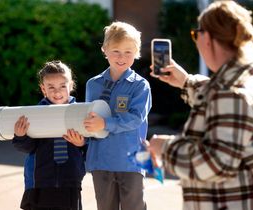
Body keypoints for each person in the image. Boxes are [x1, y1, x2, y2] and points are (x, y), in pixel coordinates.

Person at [148, 1, 253, 210]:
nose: (196, 41)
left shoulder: (231, 92)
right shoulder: (250, 69)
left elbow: (216, 164)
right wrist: (186, 81)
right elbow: (229, 103)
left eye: (195, 35)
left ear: (207, 37)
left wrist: (165, 148)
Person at [83, 21, 152, 210]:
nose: (122, 57)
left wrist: (104, 123)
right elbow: (88, 120)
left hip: (131, 163)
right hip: (100, 162)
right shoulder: (93, 85)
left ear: (136, 53)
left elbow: (135, 118)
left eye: (128, 52)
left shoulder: (140, 85)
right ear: (105, 49)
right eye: (116, 51)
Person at [12, 60, 86, 210]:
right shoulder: (35, 114)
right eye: (51, 87)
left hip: (70, 182)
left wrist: (82, 144)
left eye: (62, 86)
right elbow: (27, 147)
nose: (57, 92)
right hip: (40, 182)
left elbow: (91, 149)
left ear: (71, 86)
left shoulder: (81, 114)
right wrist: (21, 136)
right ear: (43, 89)